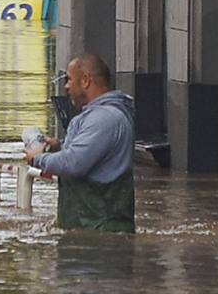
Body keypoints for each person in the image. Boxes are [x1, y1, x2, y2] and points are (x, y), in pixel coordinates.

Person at [23, 53, 135, 233]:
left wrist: (37, 158)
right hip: (89, 230)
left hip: (100, 236)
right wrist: (58, 146)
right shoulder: (97, 117)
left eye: (68, 79)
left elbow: (73, 163)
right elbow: (86, 155)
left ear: (85, 81)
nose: (66, 86)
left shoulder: (104, 119)